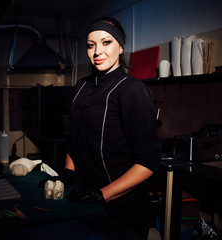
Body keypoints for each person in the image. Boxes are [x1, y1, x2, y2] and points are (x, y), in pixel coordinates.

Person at [60, 16, 161, 239]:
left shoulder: (132, 90)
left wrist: (101, 195)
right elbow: (75, 138)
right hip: (85, 198)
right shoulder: (81, 86)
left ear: (120, 47)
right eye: (91, 45)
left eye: (106, 42)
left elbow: (149, 162)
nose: (98, 52)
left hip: (124, 208)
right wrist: (68, 171)